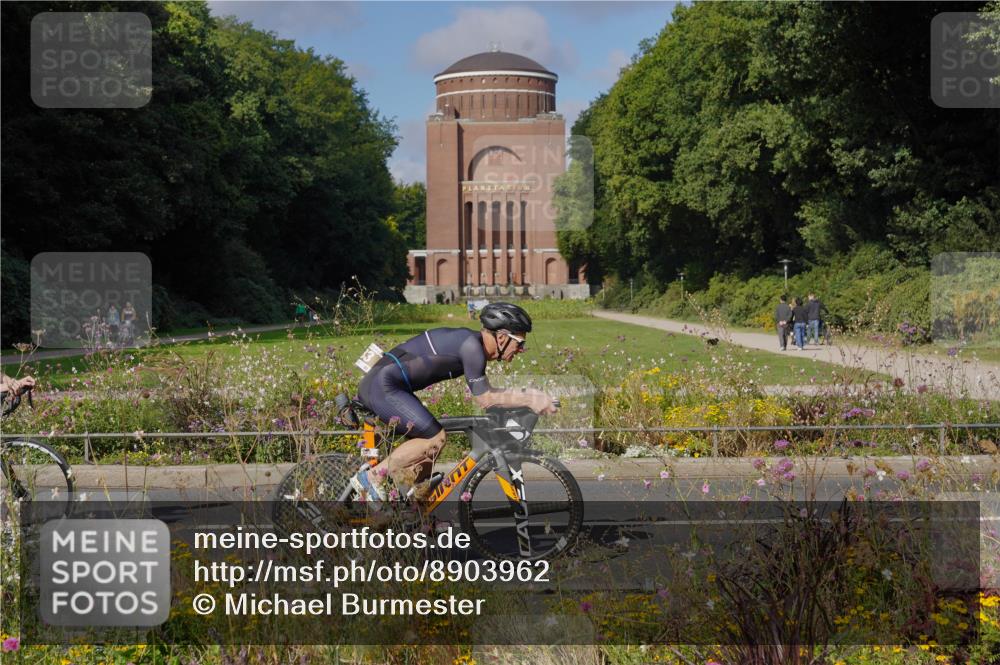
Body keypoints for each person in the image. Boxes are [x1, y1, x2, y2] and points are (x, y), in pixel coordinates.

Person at [352, 302, 557, 504]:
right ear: (502, 337)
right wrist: (531, 398)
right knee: (435, 439)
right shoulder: (472, 347)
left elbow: (489, 394)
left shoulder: (471, 344)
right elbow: (485, 398)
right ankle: (371, 478)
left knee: (430, 452)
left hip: (388, 384)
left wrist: (525, 399)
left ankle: (415, 510)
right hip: (383, 386)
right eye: (520, 343)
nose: (521, 350)